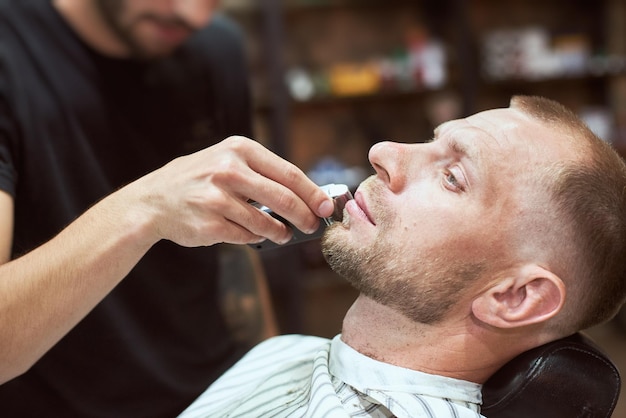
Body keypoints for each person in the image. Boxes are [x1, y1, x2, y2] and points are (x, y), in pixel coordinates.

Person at [178, 95, 626, 418]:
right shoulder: (286, 353)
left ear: (514, 296)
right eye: (431, 140)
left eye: (452, 176)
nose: (383, 153)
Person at [0, 0, 335, 416]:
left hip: (215, 396)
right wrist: (145, 208)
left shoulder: (216, 50)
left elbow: (236, 254)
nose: (195, 16)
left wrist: (268, 386)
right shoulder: (10, 50)